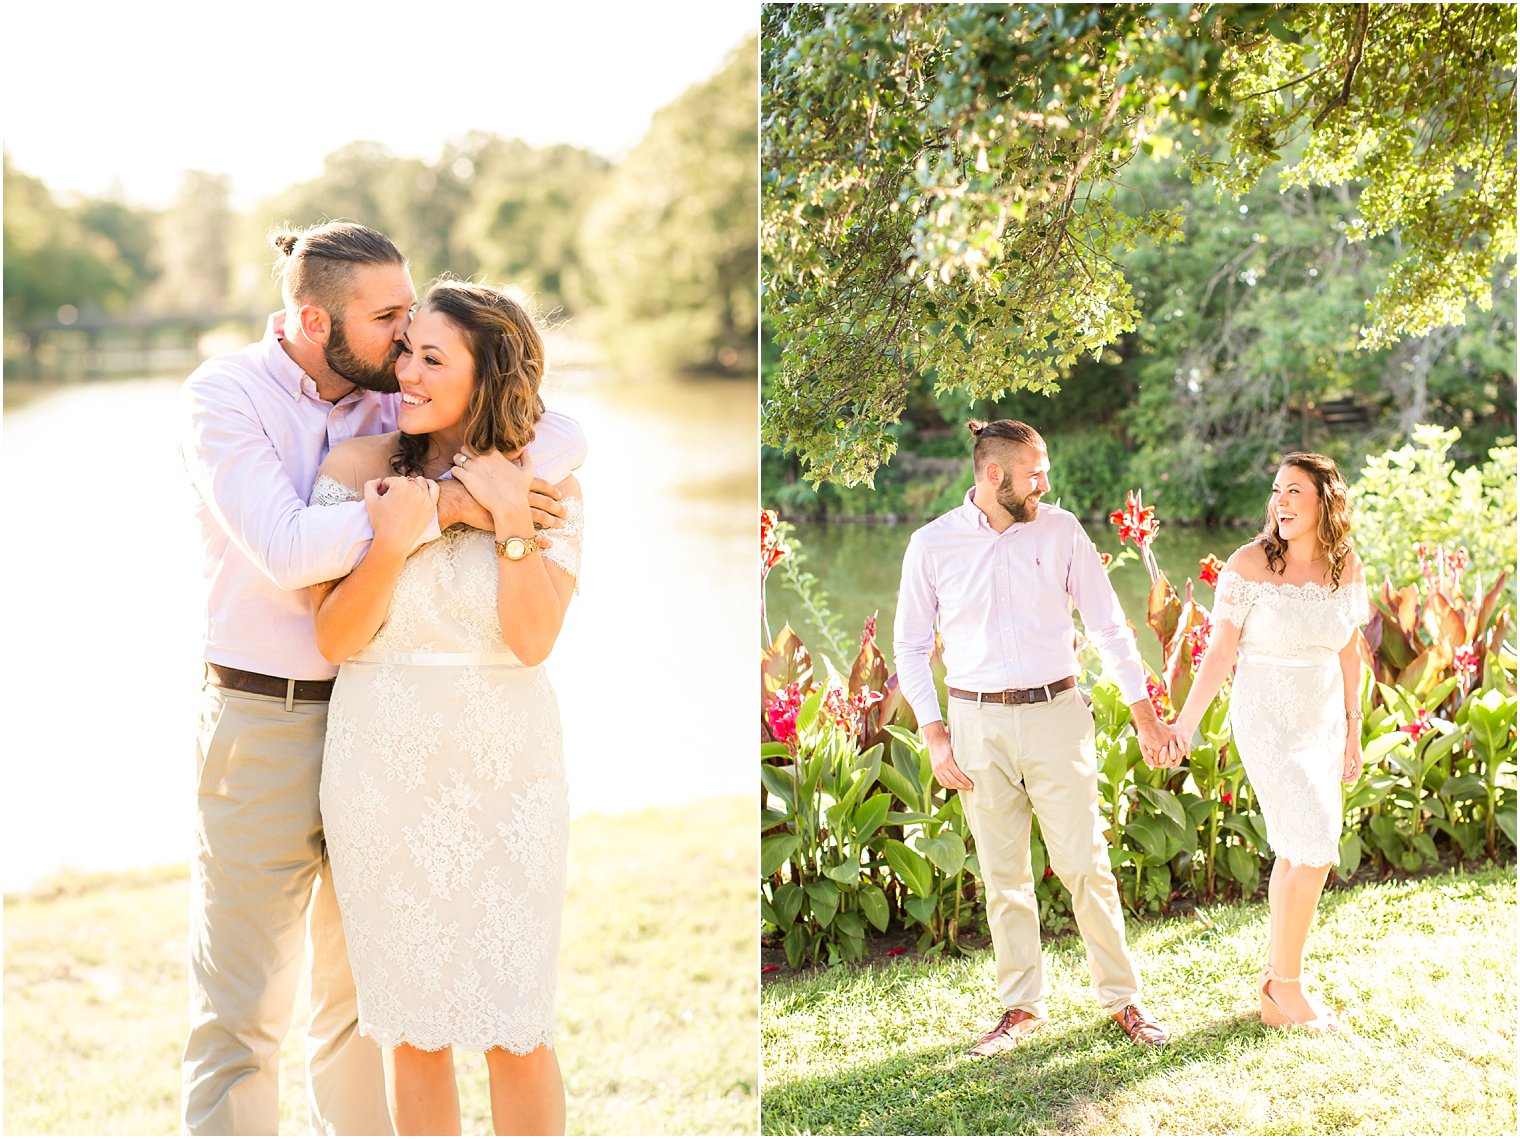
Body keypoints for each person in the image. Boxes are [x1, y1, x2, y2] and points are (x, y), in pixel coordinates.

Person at [180, 221, 582, 1135]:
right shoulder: (229, 396)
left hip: (468, 752)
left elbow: (556, 429)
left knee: (376, 1011)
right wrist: (439, 511)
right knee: (250, 1013)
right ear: (318, 320)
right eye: (391, 323)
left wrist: (508, 501)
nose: (404, 351)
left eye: (419, 336)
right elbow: (289, 557)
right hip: (274, 715)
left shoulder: (390, 403)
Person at [308, 278, 582, 1136]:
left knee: (515, 1022)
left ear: (488, 372)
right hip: (380, 768)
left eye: (434, 357)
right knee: (413, 1029)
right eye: (405, 352)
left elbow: (533, 639)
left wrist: (506, 520)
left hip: (508, 767)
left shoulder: (546, 486)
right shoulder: (354, 471)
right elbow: (334, 638)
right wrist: (397, 539)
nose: (409, 373)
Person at [893, 419, 1183, 1056]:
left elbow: (1109, 628)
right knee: (1004, 876)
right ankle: (1021, 1009)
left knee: (1086, 865)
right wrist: (935, 735)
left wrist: (1144, 713)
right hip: (975, 725)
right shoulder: (932, 545)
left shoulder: (1062, 531)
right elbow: (910, 648)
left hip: (1057, 714)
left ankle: (1124, 1001)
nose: (1044, 483)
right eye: (1034, 472)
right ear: (994, 475)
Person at [1164, 453, 1367, 1034]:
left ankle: (1277, 987)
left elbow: (1351, 649)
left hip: (1323, 717)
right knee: (1316, 846)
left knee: (1297, 850)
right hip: (1267, 714)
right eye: (1277, 490)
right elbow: (1220, 652)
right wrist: (1186, 724)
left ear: (1326, 499)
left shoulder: (1344, 565)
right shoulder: (1248, 563)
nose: (1281, 501)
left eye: (1295, 491)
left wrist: (1354, 727)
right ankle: (1286, 985)